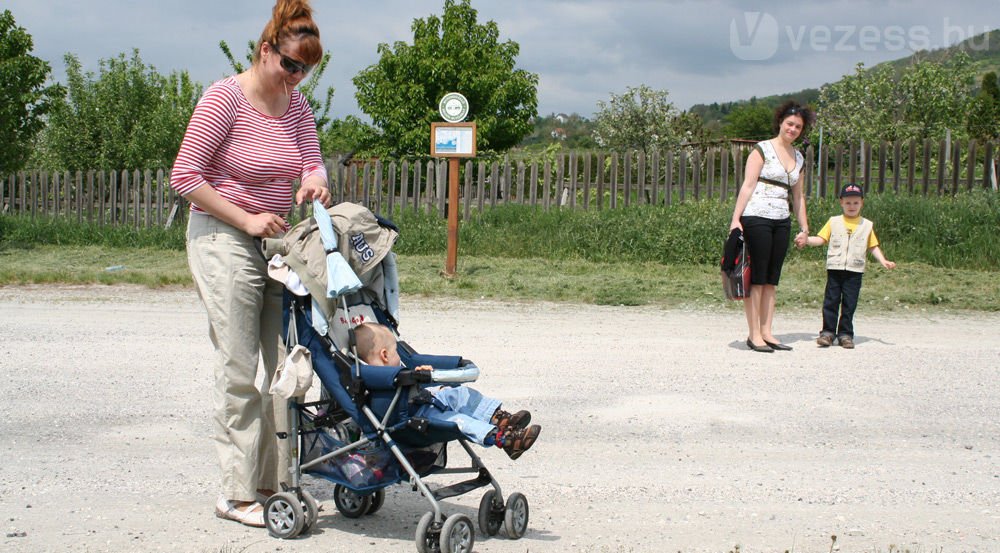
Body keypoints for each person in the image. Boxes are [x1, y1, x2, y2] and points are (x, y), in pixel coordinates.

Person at [169, 0, 331, 528]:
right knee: (240, 366)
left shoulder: (296, 104)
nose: (296, 78)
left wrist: (315, 180)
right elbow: (185, 177)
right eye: (289, 65)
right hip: (222, 236)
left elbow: (310, 159)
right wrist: (245, 217)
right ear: (266, 52)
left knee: (287, 364)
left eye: (306, 70)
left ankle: (271, 482)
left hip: (275, 242)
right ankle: (236, 494)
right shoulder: (224, 99)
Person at [354, 323, 541, 460]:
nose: (399, 358)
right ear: (385, 355)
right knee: (459, 421)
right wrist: (412, 376)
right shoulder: (377, 376)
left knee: (458, 393)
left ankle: (500, 418)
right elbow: (396, 386)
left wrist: (419, 375)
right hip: (410, 422)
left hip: (424, 403)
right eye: (396, 352)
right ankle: (504, 439)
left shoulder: (387, 372)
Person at [729, 101, 813, 353]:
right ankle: (754, 334)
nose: (793, 129)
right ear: (780, 122)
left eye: (798, 126)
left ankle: (767, 331)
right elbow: (747, 185)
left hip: (781, 220)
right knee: (757, 278)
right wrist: (736, 220)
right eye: (790, 124)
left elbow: (798, 197)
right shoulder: (761, 150)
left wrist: (804, 228)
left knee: (771, 279)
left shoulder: (799, 157)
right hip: (757, 217)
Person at [795, 183, 897, 348]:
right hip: (835, 269)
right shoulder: (833, 222)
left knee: (850, 303)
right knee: (831, 301)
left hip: (854, 271)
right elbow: (821, 239)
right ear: (841, 202)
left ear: (862, 203)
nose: (852, 206)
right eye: (848, 202)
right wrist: (806, 240)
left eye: (856, 203)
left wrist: (883, 260)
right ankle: (827, 333)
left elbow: (872, 246)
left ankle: (845, 334)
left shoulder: (867, 225)